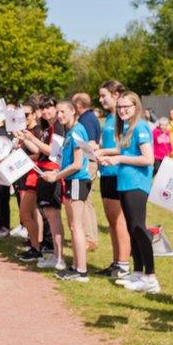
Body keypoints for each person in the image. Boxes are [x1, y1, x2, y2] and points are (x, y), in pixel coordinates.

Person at [99, 92, 158, 293]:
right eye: (120, 107)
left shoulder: (140, 126)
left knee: (139, 229)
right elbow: (125, 152)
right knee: (132, 229)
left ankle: (151, 276)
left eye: (126, 107)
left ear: (136, 107)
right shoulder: (126, 126)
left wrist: (119, 160)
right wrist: (108, 156)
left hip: (137, 184)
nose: (122, 110)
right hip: (125, 183)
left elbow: (148, 159)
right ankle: (138, 272)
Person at [42, 101, 91, 282]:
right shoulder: (70, 131)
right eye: (59, 112)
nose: (60, 115)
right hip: (72, 180)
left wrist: (56, 177)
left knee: (76, 226)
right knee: (73, 225)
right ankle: (76, 266)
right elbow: (68, 161)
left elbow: (78, 164)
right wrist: (57, 172)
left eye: (63, 112)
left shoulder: (77, 130)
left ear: (72, 111)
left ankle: (81, 270)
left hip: (78, 180)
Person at [23, 96, 66, 270]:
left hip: (53, 172)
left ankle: (60, 257)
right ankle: (56, 255)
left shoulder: (58, 128)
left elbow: (53, 152)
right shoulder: (49, 127)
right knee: (49, 215)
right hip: (44, 172)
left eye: (50, 108)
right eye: (44, 108)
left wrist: (33, 140)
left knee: (53, 216)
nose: (46, 111)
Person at [95, 81, 132, 278]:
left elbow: (123, 146)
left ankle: (124, 265)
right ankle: (116, 261)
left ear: (116, 94)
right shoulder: (109, 118)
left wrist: (103, 152)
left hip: (119, 172)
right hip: (106, 173)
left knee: (119, 221)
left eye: (104, 96)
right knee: (111, 220)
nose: (101, 100)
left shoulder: (124, 117)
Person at [14, 100, 44, 262]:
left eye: (26, 114)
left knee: (26, 214)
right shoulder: (27, 130)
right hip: (24, 174)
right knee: (31, 213)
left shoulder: (36, 131)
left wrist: (24, 140)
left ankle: (36, 247)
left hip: (32, 175)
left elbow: (37, 153)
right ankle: (35, 245)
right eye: (21, 115)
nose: (24, 117)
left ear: (34, 115)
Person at [72, 93, 100, 252]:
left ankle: (90, 238)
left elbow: (89, 143)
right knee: (86, 200)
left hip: (87, 162)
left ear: (78, 106)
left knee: (85, 200)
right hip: (88, 162)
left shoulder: (86, 120)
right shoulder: (91, 118)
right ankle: (89, 235)